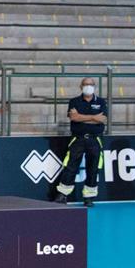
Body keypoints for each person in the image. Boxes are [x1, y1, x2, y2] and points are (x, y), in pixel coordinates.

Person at [51, 77, 107, 207]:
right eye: (86, 84)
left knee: (93, 168)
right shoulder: (74, 101)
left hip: (95, 139)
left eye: (91, 84)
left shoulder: (101, 102)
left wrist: (81, 117)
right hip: (78, 138)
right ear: (81, 86)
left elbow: (102, 119)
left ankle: (89, 197)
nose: (88, 86)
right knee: (70, 166)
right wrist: (93, 117)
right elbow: (73, 117)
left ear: (94, 86)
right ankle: (63, 194)